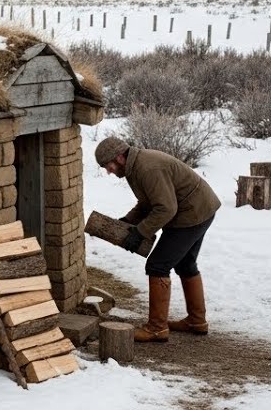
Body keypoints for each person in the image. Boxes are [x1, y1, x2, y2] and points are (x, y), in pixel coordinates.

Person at [94, 136, 221, 342]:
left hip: (192, 213)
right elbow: (147, 202)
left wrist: (140, 232)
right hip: (199, 208)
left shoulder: (147, 168)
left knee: (157, 266)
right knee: (185, 264)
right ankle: (196, 321)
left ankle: (156, 328)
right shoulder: (134, 168)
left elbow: (166, 208)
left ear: (119, 157)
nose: (109, 171)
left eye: (108, 166)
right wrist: (129, 221)